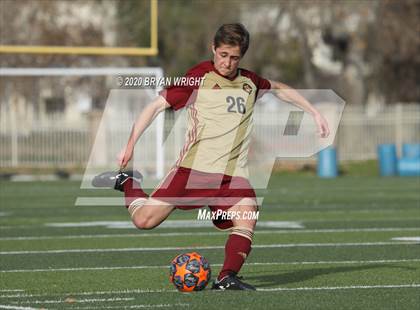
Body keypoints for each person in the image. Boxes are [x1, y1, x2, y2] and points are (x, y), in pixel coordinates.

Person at [92, 23, 329, 290]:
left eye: (235, 57)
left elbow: (280, 88)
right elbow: (156, 106)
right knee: (143, 221)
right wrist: (130, 144)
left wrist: (314, 112)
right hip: (194, 170)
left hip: (233, 174)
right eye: (223, 55)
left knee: (247, 214)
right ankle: (126, 182)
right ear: (213, 49)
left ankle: (227, 277)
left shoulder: (250, 82)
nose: (227, 63)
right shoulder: (198, 78)